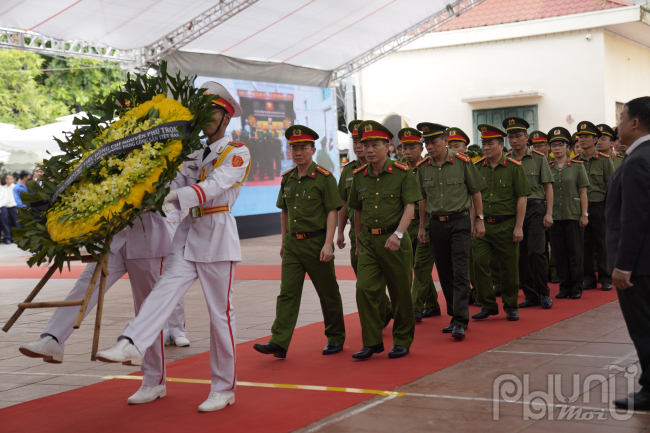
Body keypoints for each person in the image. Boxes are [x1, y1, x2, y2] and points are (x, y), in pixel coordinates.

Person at [95, 81, 250, 412]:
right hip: (187, 232)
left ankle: (224, 388)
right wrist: (143, 189)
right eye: (202, 111)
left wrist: (172, 196)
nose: (206, 117)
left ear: (227, 116)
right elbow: (173, 182)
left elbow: (213, 187)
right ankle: (131, 343)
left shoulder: (237, 152)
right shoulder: (192, 153)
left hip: (217, 237)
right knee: (162, 292)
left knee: (220, 315)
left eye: (213, 111)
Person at [18, 208, 178, 404]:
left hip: (149, 238)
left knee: (148, 310)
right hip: (113, 238)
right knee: (84, 286)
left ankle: (154, 381)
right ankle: (53, 339)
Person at [253, 125, 346, 358]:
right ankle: (279, 341)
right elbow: (284, 211)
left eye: (303, 148)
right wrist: (284, 240)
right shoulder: (287, 179)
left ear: (313, 150)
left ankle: (335, 337)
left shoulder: (324, 178)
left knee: (328, 292)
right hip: (293, 244)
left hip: (317, 243)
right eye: (294, 148)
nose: (298, 152)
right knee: (287, 293)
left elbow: (332, 212)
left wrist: (328, 243)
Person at [348, 120, 421, 359]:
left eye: (374, 145)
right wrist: (359, 241)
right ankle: (371, 341)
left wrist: (398, 234)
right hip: (369, 240)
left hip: (395, 240)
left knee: (400, 293)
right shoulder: (359, 176)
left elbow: (410, 207)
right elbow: (357, 211)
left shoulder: (402, 173)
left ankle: (402, 340)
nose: (368, 149)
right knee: (364, 288)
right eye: (364, 144)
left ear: (388, 146)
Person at [416, 125, 486, 339]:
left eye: (433, 142)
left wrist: (480, 221)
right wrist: (421, 226)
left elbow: (476, 193)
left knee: (460, 271)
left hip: (460, 222)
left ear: (445, 140)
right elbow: (422, 199)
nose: (429, 147)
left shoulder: (463, 162)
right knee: (444, 272)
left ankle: (460, 320)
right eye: (426, 143)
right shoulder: (423, 167)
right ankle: (454, 315)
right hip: (436, 224)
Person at [606, 96, 650, 411]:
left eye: (621, 118)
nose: (618, 125)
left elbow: (634, 218)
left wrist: (623, 266)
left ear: (635, 122)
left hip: (641, 265)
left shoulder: (637, 160)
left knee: (645, 328)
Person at [471, 124, 531, 322]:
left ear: (501, 144)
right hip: (483, 225)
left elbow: (522, 198)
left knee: (509, 267)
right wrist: (474, 222)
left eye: (490, 144)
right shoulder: (477, 167)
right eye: (483, 144)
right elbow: (474, 197)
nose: (486, 148)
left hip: (506, 225)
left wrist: (518, 226)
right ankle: (488, 304)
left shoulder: (514, 168)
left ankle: (510, 305)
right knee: (479, 263)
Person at [336, 121, 393, 328]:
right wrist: (340, 231)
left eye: (363, 141)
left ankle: (382, 315)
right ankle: (386, 310)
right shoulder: (348, 171)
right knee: (363, 278)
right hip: (358, 233)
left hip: (386, 232)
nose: (359, 146)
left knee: (380, 279)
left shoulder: (390, 169)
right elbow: (343, 204)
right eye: (355, 141)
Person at [502, 117, 554, 310]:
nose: (514, 140)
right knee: (520, 255)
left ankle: (544, 293)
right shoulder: (506, 161)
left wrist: (549, 213)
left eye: (518, 136)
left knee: (536, 252)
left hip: (535, 208)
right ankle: (530, 295)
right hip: (514, 212)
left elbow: (548, 188)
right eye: (511, 137)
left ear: (526, 137)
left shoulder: (539, 158)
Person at [398, 126, 440, 322]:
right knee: (415, 266)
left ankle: (414, 309)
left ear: (421, 148)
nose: (407, 152)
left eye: (412, 147)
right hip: (407, 225)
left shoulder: (430, 167)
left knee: (421, 266)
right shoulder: (399, 171)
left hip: (428, 223)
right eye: (404, 148)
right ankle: (432, 303)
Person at [546, 127, 589, 299]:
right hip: (555, 215)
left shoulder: (578, 167)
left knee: (575, 252)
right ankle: (564, 286)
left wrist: (584, 214)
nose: (557, 148)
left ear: (568, 147)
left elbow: (583, 192)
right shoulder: (548, 167)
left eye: (560, 145)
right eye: (554, 145)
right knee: (559, 253)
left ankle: (577, 286)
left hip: (573, 214)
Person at [574, 121, 615, 291]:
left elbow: (611, 186)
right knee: (584, 244)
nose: (582, 140)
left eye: (586, 137)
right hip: (581, 209)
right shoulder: (575, 161)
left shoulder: (605, 161)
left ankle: (605, 277)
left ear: (595, 139)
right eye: (580, 137)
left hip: (599, 206)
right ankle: (589, 277)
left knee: (602, 243)